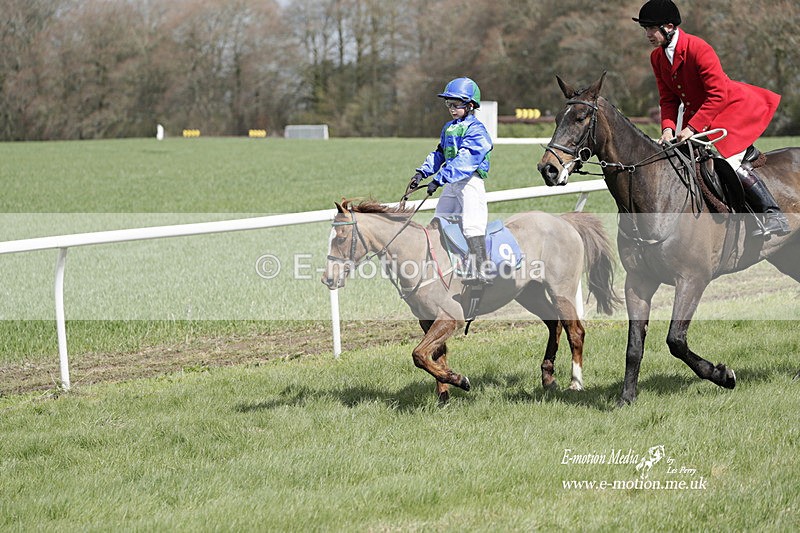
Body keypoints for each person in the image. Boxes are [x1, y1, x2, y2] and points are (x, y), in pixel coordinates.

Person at [633, 0, 790, 237]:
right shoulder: (657, 58)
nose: (647, 34)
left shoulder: (698, 47)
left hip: (730, 110)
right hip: (699, 115)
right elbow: (668, 99)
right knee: (680, 160)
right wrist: (667, 128)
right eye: (645, 29)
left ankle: (773, 214)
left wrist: (692, 128)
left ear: (668, 26)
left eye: (650, 28)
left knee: (730, 161)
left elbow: (718, 94)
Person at [407, 77, 494, 284]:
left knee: (472, 224)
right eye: (449, 104)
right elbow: (440, 153)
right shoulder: (449, 128)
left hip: (470, 181)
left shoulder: (477, 130)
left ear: (470, 105)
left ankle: (483, 270)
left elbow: (466, 160)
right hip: (452, 182)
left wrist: (439, 179)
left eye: (456, 104)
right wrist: (422, 172)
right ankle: (445, 265)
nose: (452, 108)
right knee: (439, 222)